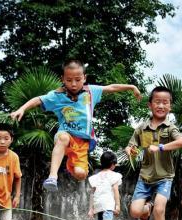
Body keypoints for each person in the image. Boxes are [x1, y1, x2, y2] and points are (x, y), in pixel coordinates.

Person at [10, 59, 141, 192]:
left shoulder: (91, 92)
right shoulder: (57, 96)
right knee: (63, 138)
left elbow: (111, 88)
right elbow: (38, 99)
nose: (73, 84)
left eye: (77, 80)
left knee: (80, 174)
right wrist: (22, 109)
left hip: (82, 142)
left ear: (84, 78)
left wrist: (131, 87)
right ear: (63, 79)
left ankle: (71, 162)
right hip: (65, 136)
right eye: (69, 80)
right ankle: (52, 176)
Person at [125, 86, 182, 220]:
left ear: (170, 106)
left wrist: (161, 147)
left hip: (164, 177)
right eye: (157, 102)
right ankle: (147, 209)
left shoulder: (170, 128)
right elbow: (131, 145)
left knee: (160, 209)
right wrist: (130, 150)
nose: (161, 105)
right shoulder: (141, 128)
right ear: (150, 105)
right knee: (135, 212)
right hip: (145, 177)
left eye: (165, 102)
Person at [88, 151, 122, 220]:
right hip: (108, 204)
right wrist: (117, 205)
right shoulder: (115, 175)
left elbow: (92, 194)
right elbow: (115, 190)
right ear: (112, 164)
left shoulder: (96, 177)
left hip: (98, 205)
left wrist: (91, 209)